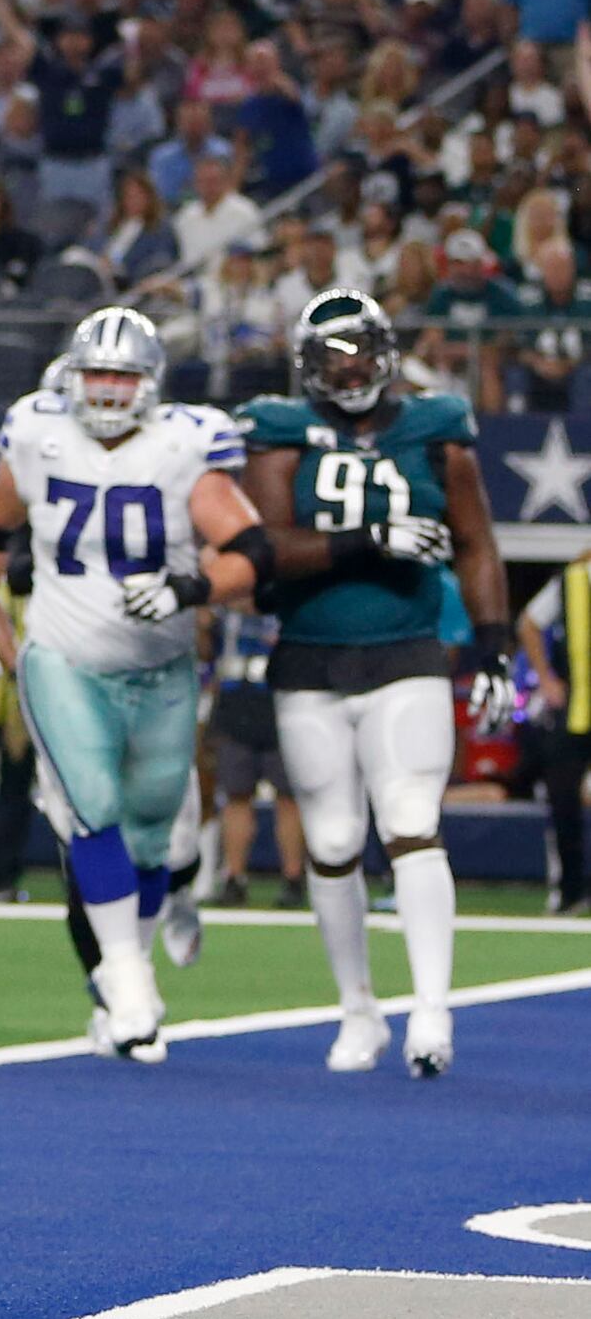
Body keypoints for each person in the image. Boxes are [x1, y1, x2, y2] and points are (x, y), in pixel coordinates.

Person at [0, 309, 265, 1063]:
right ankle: (125, 983)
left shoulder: (185, 443)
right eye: (97, 372)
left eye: (123, 375)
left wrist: (188, 589)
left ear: (150, 383)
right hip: (61, 658)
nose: (108, 388)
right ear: (72, 374)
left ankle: (127, 975)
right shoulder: (35, 431)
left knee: (156, 831)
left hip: (158, 666)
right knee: (91, 808)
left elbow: (251, 550)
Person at [238, 291, 509, 1076]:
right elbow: (266, 551)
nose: (348, 367)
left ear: (386, 353)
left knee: (410, 819)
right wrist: (369, 541)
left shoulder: (434, 428)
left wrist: (491, 646)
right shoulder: (280, 430)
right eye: (330, 356)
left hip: (406, 649)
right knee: (329, 839)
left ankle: (431, 1010)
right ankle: (357, 1008)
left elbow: (476, 541)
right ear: (306, 367)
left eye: (359, 350)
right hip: (311, 655)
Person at [203, 606, 307, 910]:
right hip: (236, 701)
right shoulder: (225, 606)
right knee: (236, 794)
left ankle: (293, 877)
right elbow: (207, 648)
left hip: (280, 700)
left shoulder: (283, 595)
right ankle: (234, 877)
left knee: (288, 796)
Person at [517, 542, 591, 918]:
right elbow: (528, 623)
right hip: (575, 712)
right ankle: (570, 891)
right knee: (562, 802)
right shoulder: (570, 581)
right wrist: (546, 678)